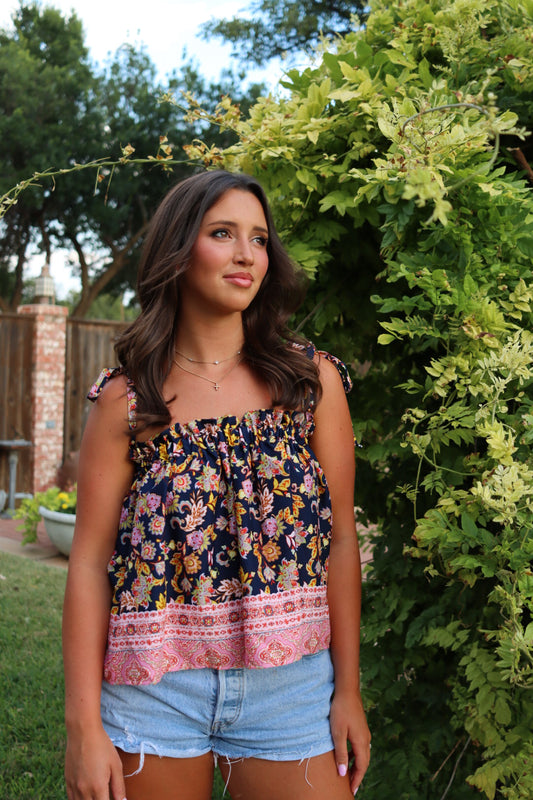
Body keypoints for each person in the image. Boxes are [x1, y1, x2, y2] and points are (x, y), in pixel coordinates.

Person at [62, 169, 371, 800]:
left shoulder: (309, 385)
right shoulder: (126, 402)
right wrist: (83, 726)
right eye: (223, 233)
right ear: (178, 250)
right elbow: (90, 564)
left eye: (259, 239)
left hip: (292, 688)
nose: (246, 255)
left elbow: (341, 541)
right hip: (153, 692)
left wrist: (349, 690)